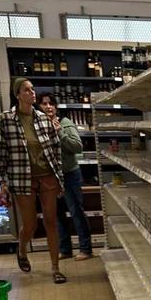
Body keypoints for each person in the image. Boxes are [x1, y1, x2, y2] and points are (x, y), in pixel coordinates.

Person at [0, 78, 67, 284]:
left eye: (33, 89)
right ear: (18, 95)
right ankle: (22, 249)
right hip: (22, 178)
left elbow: (55, 149)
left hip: (47, 176)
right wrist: (2, 182)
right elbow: (1, 152)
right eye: (27, 90)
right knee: (30, 224)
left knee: (51, 221)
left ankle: (56, 268)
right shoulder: (5, 119)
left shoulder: (44, 119)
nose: (32, 93)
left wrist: (59, 177)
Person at [37, 93, 93, 261]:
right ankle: (65, 249)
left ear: (55, 107)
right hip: (51, 177)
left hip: (69, 175)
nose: (48, 107)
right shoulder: (38, 127)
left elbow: (77, 147)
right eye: (44, 104)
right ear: (38, 107)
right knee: (57, 214)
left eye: (51, 104)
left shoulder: (65, 123)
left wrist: (59, 132)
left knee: (76, 212)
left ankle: (86, 249)